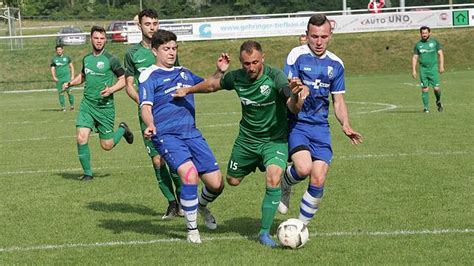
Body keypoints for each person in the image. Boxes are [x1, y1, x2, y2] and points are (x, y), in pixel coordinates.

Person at [173, 40, 305, 247]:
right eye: (246, 63)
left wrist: (295, 94)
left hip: (274, 141)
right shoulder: (236, 77)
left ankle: (263, 234)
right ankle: (201, 204)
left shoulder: (275, 76)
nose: (251, 67)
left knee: (273, 178)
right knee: (232, 181)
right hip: (247, 141)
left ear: (263, 58)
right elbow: (212, 85)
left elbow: (292, 105)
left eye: (254, 62)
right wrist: (188, 90)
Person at [139, 29, 225, 244]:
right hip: (167, 135)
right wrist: (150, 125)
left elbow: (208, 84)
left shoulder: (184, 72)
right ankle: (192, 230)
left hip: (192, 134)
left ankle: (202, 205)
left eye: (174, 48)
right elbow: (145, 107)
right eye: (166, 49)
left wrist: (219, 71)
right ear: (155, 50)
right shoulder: (149, 75)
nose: (171, 53)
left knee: (217, 183)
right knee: (189, 175)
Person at [278, 14, 363, 229]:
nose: (318, 41)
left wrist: (345, 123)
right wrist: (298, 93)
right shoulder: (296, 56)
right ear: (306, 35)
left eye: (323, 36)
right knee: (304, 168)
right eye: (314, 36)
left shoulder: (336, 64)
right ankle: (284, 185)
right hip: (297, 123)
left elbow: (338, 100)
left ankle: (300, 226)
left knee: (318, 178)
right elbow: (288, 95)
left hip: (321, 127)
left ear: (330, 36)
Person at [124, 8, 182, 220]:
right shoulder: (132, 54)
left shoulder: (167, 48)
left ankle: (184, 199)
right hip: (147, 115)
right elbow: (129, 85)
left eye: (155, 23)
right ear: (139, 26)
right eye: (147, 24)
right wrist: (144, 102)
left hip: (170, 113)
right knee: (158, 161)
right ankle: (172, 203)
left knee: (175, 158)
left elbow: (177, 77)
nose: (152, 28)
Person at [62, 26, 134, 181]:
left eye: (102, 38)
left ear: (105, 40)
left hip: (104, 108)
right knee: (81, 137)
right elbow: (83, 76)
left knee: (107, 145)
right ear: (91, 39)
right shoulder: (87, 59)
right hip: (87, 105)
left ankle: (122, 129)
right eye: (96, 38)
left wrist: (111, 90)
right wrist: (70, 83)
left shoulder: (111, 59)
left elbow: (124, 80)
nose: (99, 41)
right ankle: (88, 174)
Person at [412, 26, 445, 113]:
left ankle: (438, 101)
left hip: (433, 69)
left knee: (436, 89)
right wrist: (414, 70)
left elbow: (440, 54)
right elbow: (415, 58)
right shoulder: (418, 45)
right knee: (424, 89)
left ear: (429, 33)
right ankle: (426, 108)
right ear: (420, 34)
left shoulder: (434, 42)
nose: (424, 35)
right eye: (423, 33)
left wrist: (441, 66)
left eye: (426, 33)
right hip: (423, 70)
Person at [51, 44, 75, 111]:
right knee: (61, 93)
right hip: (59, 79)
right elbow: (52, 68)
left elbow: (71, 66)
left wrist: (72, 76)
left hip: (67, 78)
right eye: (58, 50)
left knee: (69, 92)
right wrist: (54, 77)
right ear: (56, 51)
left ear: (62, 50)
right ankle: (63, 107)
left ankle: (72, 106)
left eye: (60, 49)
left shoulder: (67, 58)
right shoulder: (54, 59)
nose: (59, 51)